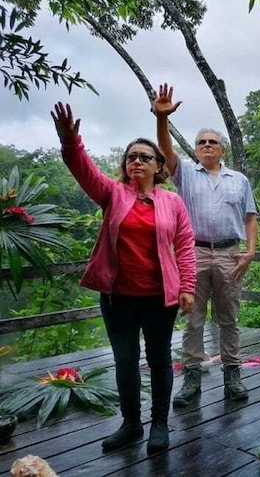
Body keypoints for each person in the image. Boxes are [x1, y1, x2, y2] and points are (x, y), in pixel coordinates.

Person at [51, 102, 196, 455]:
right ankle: (131, 424)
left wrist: (188, 287)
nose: (137, 162)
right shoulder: (113, 194)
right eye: (131, 156)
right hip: (119, 298)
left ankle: (159, 424)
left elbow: (185, 244)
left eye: (145, 157)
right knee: (126, 361)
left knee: (160, 359)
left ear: (159, 166)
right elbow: (83, 170)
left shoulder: (172, 202)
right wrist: (71, 142)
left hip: (160, 297)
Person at [152, 83, 258, 406]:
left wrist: (250, 252)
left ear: (222, 149)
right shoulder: (185, 173)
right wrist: (162, 118)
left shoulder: (238, 180)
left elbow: (250, 216)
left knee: (229, 318)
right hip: (193, 253)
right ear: (196, 150)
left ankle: (233, 376)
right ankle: (192, 380)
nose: (207, 145)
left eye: (213, 142)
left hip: (229, 254)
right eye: (201, 142)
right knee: (193, 319)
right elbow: (166, 151)